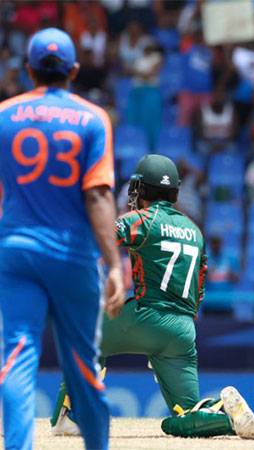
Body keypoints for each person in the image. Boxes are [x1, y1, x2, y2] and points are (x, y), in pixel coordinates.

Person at [50, 154, 254, 440]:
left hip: (146, 314)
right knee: (182, 417)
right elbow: (199, 288)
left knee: (85, 334)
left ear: (142, 190)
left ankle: (68, 416)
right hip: (184, 330)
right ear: (174, 192)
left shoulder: (144, 219)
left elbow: (105, 236)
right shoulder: (195, 231)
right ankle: (227, 416)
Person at [0, 28, 125, 450]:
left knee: (17, 356)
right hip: (71, 256)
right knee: (81, 367)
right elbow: (98, 195)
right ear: (74, 70)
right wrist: (113, 265)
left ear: (27, 68)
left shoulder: (4, 116)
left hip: (15, 251)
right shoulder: (92, 118)